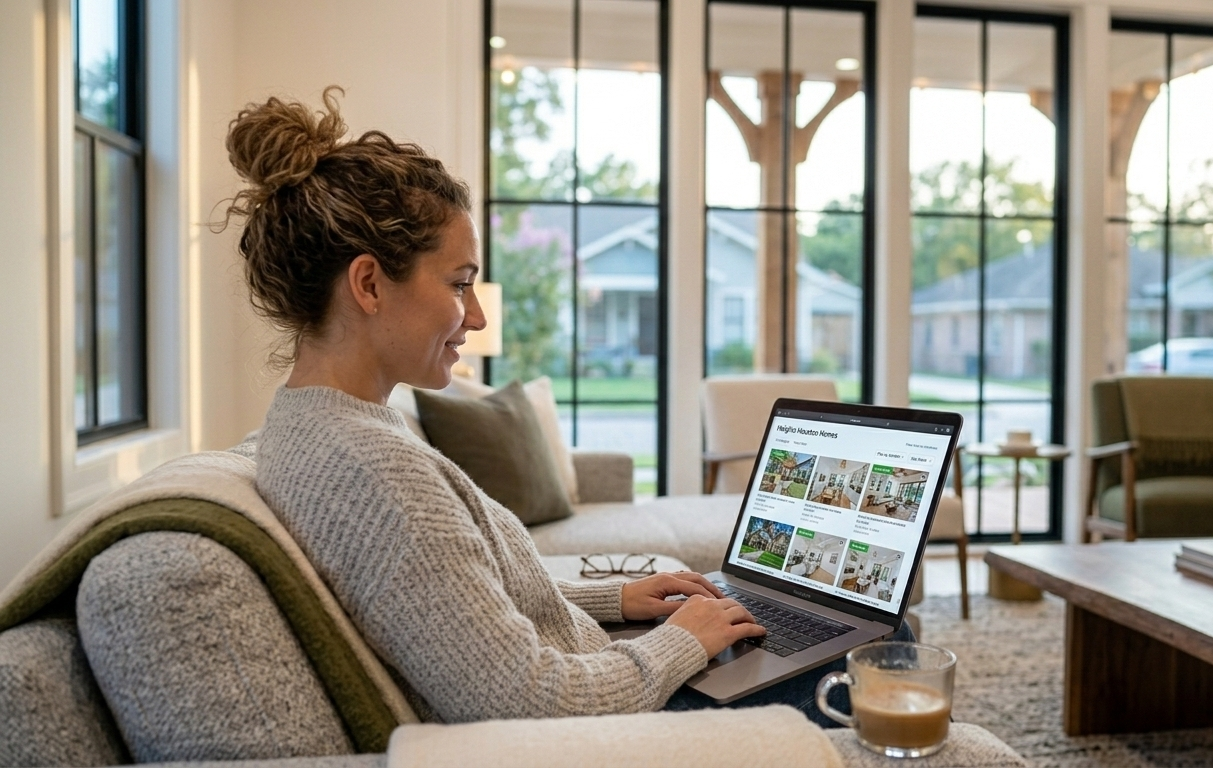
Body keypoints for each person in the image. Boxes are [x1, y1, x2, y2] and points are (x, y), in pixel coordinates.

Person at [225, 88, 909, 728]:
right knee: (886, 636)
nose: (475, 314)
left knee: (832, 622)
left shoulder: (310, 427)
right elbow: (530, 703)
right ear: (370, 284)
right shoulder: (377, 473)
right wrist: (679, 644)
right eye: (460, 283)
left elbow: (450, 611)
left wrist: (616, 601)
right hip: (613, 724)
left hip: (604, 670)